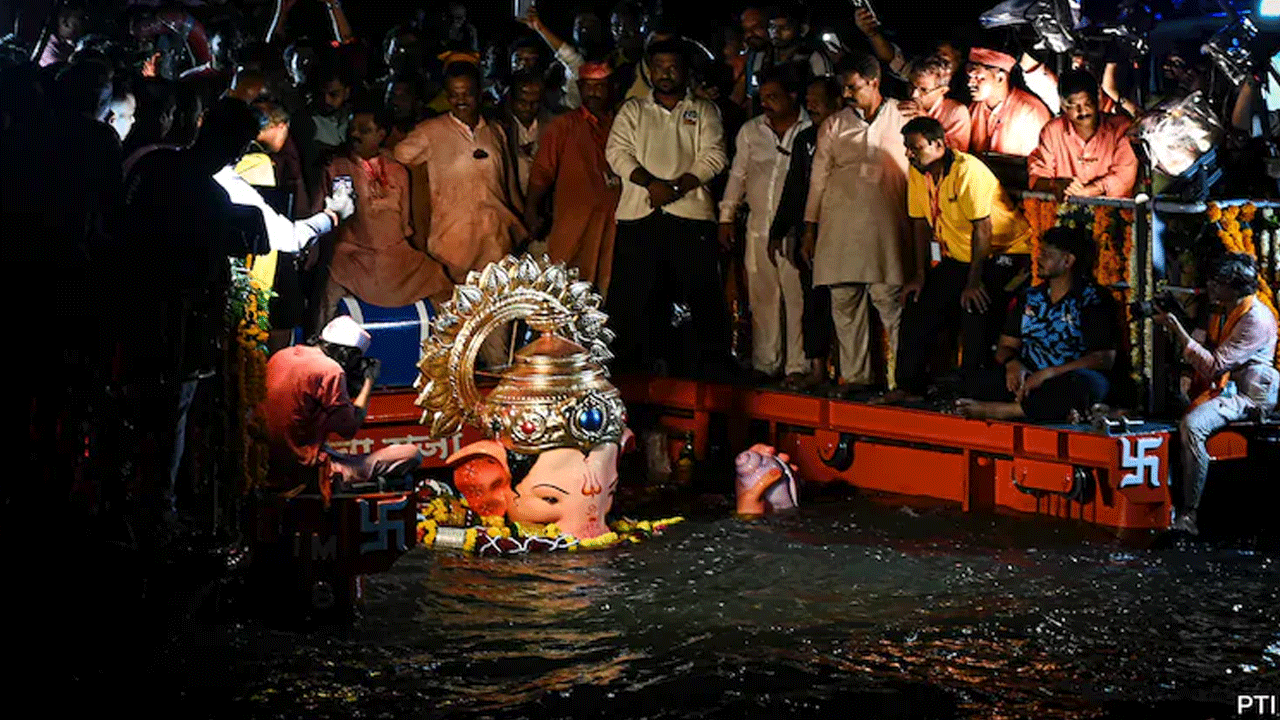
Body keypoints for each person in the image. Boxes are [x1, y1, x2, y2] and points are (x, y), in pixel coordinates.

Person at [884, 116, 1033, 403]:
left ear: (938, 144)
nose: (909, 154)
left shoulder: (968, 171)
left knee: (974, 304)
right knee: (919, 301)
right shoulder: (920, 172)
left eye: (915, 148)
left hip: (1003, 252)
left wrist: (973, 282)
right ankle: (909, 385)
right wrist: (920, 274)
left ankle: (971, 388)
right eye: (907, 148)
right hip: (961, 256)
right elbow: (919, 222)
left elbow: (983, 228)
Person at [604, 38, 729, 377]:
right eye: (659, 67)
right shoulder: (633, 110)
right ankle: (631, 370)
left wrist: (676, 188)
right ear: (649, 70)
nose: (665, 73)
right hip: (639, 214)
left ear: (686, 71)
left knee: (702, 298)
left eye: (672, 67)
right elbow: (616, 153)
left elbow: (714, 156)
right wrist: (650, 185)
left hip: (691, 216)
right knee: (633, 299)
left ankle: (706, 370)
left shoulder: (704, 110)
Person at [802, 53, 910, 394]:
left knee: (889, 300)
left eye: (853, 87)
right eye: (843, 87)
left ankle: (903, 380)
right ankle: (857, 378)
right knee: (845, 301)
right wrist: (810, 227)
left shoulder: (902, 116)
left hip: (887, 225)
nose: (846, 94)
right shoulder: (834, 125)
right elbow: (817, 180)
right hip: (839, 226)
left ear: (874, 82)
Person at [1156, 254, 1278, 536]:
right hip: (1223, 388)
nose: (1210, 285)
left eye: (1218, 282)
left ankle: (1190, 513)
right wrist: (1187, 371)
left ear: (1236, 287)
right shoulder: (1220, 309)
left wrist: (1176, 330)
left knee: (1194, 425)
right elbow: (1201, 341)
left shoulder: (1256, 318)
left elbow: (1214, 366)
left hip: (1250, 396)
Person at [954, 226, 1116, 420]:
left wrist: (1049, 373)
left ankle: (1004, 411)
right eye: (1040, 253)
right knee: (974, 379)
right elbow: (1006, 345)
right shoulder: (1030, 297)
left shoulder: (1093, 300)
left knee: (1082, 387)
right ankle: (1038, 410)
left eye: (1046, 254)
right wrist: (1013, 364)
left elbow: (1103, 358)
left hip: (1065, 377)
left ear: (1068, 261)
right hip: (1028, 375)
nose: (1038, 259)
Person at [718, 65, 811, 383]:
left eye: (773, 97)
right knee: (762, 297)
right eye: (762, 97)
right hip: (758, 226)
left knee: (797, 298)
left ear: (793, 97)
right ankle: (766, 363)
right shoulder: (751, 131)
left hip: (794, 231)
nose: (766, 103)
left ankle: (798, 367)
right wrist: (726, 217)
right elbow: (737, 175)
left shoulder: (810, 130)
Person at [393, 61, 524, 284]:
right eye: (454, 94)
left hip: (495, 239)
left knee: (497, 310)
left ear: (479, 93)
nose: (461, 100)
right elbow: (398, 157)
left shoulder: (495, 131)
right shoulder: (429, 132)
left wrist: (522, 221)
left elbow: (508, 181)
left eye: (467, 93)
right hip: (452, 243)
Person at [264, 316, 425, 494]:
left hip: (269, 461)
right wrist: (369, 382)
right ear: (348, 355)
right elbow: (349, 429)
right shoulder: (330, 370)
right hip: (304, 468)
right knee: (410, 454)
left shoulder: (282, 355)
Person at [320, 105, 449, 325]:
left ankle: (451, 353)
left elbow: (405, 223)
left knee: (442, 283)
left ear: (381, 134)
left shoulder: (397, 169)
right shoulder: (336, 167)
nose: (355, 135)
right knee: (326, 296)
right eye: (352, 128)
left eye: (364, 130)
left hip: (396, 256)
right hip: (354, 256)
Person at [769, 75, 841, 390]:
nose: (810, 104)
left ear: (838, 102)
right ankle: (816, 367)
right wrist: (780, 229)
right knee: (812, 300)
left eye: (817, 98)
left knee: (843, 302)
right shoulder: (805, 139)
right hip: (811, 235)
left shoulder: (850, 136)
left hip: (844, 230)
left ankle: (847, 369)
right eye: (808, 98)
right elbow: (795, 185)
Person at [525, 61, 621, 296]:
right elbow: (541, 174)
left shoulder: (622, 123)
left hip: (613, 224)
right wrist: (532, 211)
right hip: (574, 224)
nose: (593, 93)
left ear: (611, 88)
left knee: (609, 286)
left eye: (600, 87)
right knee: (568, 288)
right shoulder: (563, 126)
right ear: (579, 87)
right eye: (588, 87)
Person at [1027, 69, 1138, 199]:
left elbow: (1123, 179)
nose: (1082, 111)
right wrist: (1056, 184)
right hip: (1063, 209)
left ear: (1098, 101)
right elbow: (1037, 177)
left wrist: (1085, 192)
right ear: (1063, 106)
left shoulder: (1121, 128)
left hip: (1112, 210)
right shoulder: (1052, 131)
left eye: (1088, 103)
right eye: (1074, 105)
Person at [966, 47, 1051, 157]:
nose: (970, 83)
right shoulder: (972, 110)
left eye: (978, 77)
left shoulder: (1030, 112)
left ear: (1000, 78)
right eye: (970, 77)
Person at [899, 55, 970, 152]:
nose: (914, 94)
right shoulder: (902, 105)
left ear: (942, 91)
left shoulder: (956, 112)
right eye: (911, 86)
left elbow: (956, 154)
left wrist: (926, 122)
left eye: (923, 90)